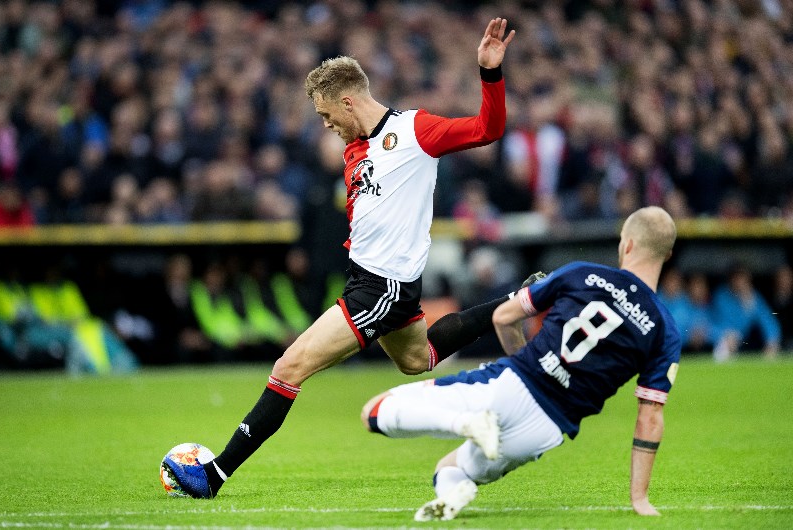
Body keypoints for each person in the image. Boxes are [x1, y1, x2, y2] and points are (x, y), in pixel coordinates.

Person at [164, 18, 517, 498]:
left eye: (328, 115)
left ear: (348, 100)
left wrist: (489, 74)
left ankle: (213, 475)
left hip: (382, 287)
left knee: (289, 366)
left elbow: (488, 128)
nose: (327, 126)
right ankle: (515, 301)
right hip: (377, 282)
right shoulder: (355, 151)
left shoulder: (415, 131)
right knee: (418, 360)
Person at [361, 206, 681, 521]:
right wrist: (639, 498)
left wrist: (522, 366)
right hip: (546, 431)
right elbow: (650, 418)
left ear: (627, 244)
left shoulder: (583, 273)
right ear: (667, 256)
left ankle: (466, 423)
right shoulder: (665, 330)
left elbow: (503, 316)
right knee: (449, 469)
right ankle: (451, 495)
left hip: (513, 384)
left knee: (374, 411)